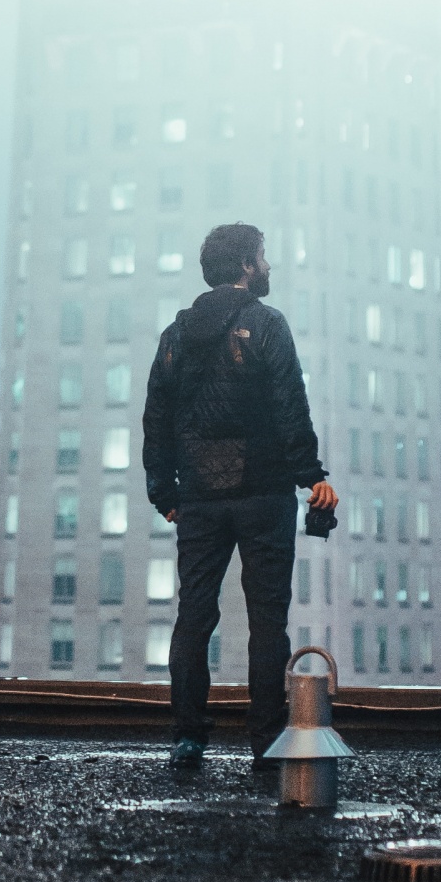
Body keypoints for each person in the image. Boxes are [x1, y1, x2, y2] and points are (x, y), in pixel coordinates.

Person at [143, 222, 338, 770]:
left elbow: (155, 419)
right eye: (264, 258)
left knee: (194, 616)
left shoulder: (174, 336)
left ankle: (187, 737)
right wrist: (311, 475)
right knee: (266, 621)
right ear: (249, 266)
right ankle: (266, 740)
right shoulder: (266, 324)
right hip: (264, 493)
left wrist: (165, 491)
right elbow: (288, 404)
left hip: (199, 497)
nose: (268, 266)